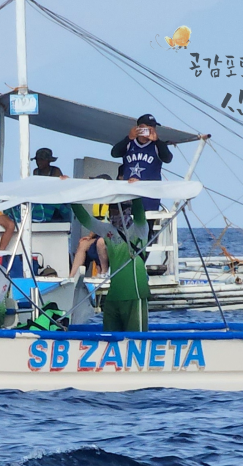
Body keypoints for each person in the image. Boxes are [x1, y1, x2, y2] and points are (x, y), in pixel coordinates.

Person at [71, 198, 150, 332]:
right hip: (113, 295)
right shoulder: (109, 230)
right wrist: (71, 198)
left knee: (136, 339)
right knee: (108, 338)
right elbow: (85, 219)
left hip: (135, 295)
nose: (113, 214)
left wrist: (136, 196)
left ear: (126, 210)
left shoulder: (139, 229)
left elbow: (139, 214)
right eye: (111, 209)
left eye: (116, 209)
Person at [110, 113, 174, 211]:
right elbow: (114, 153)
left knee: (148, 226)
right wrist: (129, 138)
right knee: (127, 224)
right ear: (139, 128)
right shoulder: (129, 144)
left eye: (153, 127)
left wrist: (157, 141)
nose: (151, 130)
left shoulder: (157, 145)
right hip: (128, 198)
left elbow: (168, 158)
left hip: (150, 199)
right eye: (147, 127)